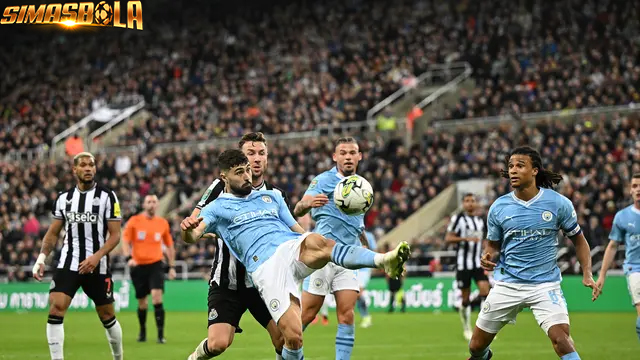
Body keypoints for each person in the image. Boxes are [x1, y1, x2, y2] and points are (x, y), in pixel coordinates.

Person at [181, 149, 410, 360]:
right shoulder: (217, 207)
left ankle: (382, 260)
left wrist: (310, 242)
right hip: (266, 266)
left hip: (291, 248)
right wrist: (189, 231)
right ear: (224, 178)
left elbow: (298, 231)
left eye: (248, 170)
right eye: (239, 173)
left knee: (318, 242)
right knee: (292, 337)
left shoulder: (272, 197)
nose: (246, 176)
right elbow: (195, 234)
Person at [468, 146, 601, 360]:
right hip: (507, 284)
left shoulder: (558, 203)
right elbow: (492, 245)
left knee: (561, 339)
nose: (513, 170)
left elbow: (579, 240)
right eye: (510, 166)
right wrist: (488, 256)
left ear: (535, 170)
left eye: (520, 165)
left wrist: (587, 273)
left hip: (545, 285)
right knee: (475, 347)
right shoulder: (498, 207)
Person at [188, 132, 288, 359]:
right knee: (218, 344)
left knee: (283, 338)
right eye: (250, 153)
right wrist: (227, 230)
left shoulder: (275, 195)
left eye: (261, 153)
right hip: (227, 281)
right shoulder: (219, 187)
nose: (256, 159)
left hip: (261, 282)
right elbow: (196, 223)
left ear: (267, 158)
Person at [32, 152, 124, 360]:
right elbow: (53, 233)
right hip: (69, 262)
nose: (88, 168)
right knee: (56, 307)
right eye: (83, 165)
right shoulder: (64, 199)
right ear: (75, 170)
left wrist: (96, 257)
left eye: (91, 164)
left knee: (107, 315)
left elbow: (116, 235)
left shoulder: (108, 196)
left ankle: (118, 358)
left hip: (97, 266)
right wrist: (41, 258)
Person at [293, 136, 369, 360]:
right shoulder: (322, 180)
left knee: (347, 315)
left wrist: (363, 242)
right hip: (322, 257)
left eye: (352, 152)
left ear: (359, 156)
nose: (348, 157)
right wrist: (307, 203)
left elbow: (356, 223)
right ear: (335, 157)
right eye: (343, 153)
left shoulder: (362, 186)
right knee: (306, 315)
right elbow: (298, 209)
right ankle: (285, 353)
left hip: (347, 258)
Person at [122, 194, 176, 343]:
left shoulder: (162, 223)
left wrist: (171, 266)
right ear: (144, 205)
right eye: (149, 202)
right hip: (138, 266)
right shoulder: (135, 221)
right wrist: (128, 258)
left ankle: (160, 335)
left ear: (157, 205)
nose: (151, 204)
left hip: (156, 264)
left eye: (154, 202)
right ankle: (143, 331)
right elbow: (125, 240)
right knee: (142, 302)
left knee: (157, 297)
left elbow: (170, 246)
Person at [596, 172, 640, 341]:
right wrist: (602, 275)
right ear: (630, 190)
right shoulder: (622, 216)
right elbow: (613, 246)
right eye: (635, 186)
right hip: (635, 269)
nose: (638, 189)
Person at [445, 193, 490, 340]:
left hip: (477, 263)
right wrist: (465, 238)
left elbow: (483, 240)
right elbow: (448, 238)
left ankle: (483, 329)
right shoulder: (458, 219)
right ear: (463, 204)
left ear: (476, 204)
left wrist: (486, 251)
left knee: (486, 291)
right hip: (463, 264)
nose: (470, 204)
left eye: (472, 201)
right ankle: (466, 327)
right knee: (465, 299)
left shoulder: (480, 221)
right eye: (467, 201)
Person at [356, 230, 377, 328]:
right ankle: (364, 316)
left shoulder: (369, 235)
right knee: (354, 295)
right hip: (352, 267)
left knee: (359, 292)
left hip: (364, 269)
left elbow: (374, 250)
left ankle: (366, 317)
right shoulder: (351, 232)